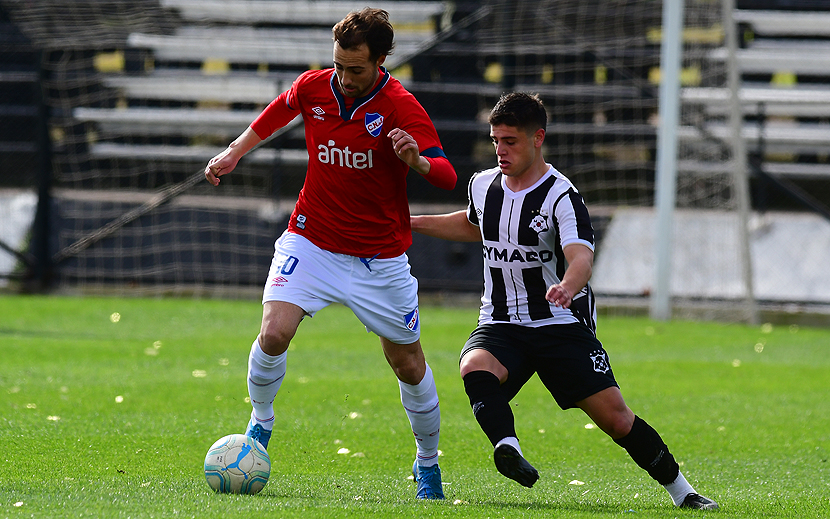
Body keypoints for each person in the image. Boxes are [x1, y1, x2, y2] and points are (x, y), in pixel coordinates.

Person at [410, 92, 718, 510]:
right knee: (474, 366)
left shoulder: (561, 196)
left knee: (616, 419)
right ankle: (508, 448)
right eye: (496, 139)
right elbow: (472, 226)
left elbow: (581, 258)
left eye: (511, 141)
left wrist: (568, 287)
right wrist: (409, 223)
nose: (501, 150)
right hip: (502, 322)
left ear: (538, 138)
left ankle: (683, 492)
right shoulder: (482, 185)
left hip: (560, 324)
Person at [204, 8, 456, 500]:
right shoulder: (317, 86)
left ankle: (427, 462)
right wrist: (235, 151)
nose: (343, 77)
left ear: (381, 61)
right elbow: (283, 106)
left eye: (355, 68)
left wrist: (417, 162)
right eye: (338, 65)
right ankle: (261, 422)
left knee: (407, 364)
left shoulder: (402, 106)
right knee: (273, 333)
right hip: (311, 240)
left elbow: (447, 175)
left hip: (378, 259)